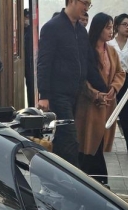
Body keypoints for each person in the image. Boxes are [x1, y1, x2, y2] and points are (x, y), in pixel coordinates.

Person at [37, 0, 104, 167]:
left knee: (62, 142)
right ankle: (73, 180)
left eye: (89, 4)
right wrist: (43, 95)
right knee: (70, 141)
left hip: (77, 94)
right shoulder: (52, 27)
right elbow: (44, 63)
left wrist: (104, 88)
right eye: (84, 3)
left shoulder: (81, 31)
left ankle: (56, 177)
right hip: (58, 95)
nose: (86, 8)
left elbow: (88, 64)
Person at [77, 13, 125, 186]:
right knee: (89, 144)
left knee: (99, 143)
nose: (111, 31)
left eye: (112, 27)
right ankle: (99, 182)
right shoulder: (87, 50)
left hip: (108, 102)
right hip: (90, 105)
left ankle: (95, 182)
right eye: (108, 27)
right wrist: (95, 94)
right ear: (98, 29)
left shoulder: (111, 51)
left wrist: (114, 87)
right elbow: (82, 79)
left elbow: (120, 72)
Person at [109, 14, 128, 155]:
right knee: (106, 112)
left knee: (126, 114)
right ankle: (102, 143)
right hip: (110, 79)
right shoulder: (109, 44)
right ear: (117, 26)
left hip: (125, 79)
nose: (127, 27)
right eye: (125, 24)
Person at [24, 10, 35, 107]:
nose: (26, 20)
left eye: (28, 17)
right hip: (25, 63)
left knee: (31, 86)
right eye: (25, 17)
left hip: (30, 63)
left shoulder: (31, 31)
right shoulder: (22, 30)